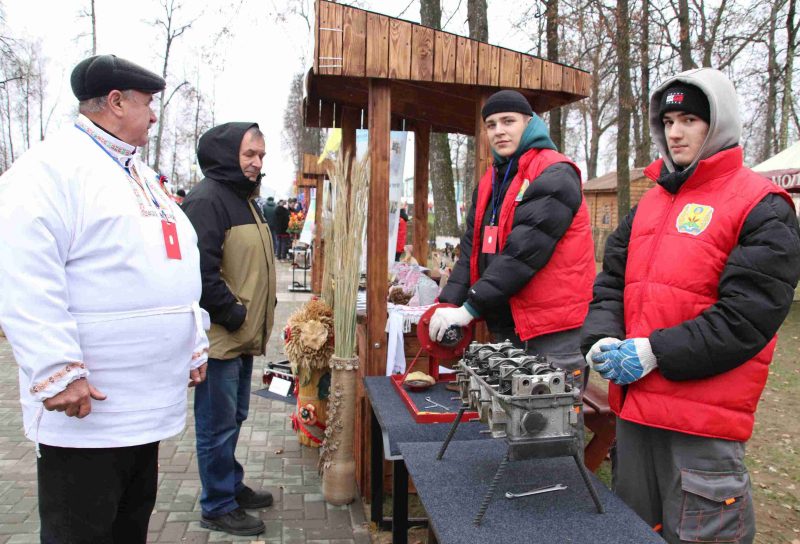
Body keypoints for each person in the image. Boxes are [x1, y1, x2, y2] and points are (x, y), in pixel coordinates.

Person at [580, 68, 800, 543]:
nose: (675, 132)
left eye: (689, 120)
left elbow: (747, 317)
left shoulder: (763, 205)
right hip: (636, 415)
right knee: (636, 532)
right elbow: (611, 283)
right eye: (669, 120)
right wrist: (600, 337)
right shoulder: (650, 204)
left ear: (716, 124)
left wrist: (656, 351)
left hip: (702, 423)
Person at [0, 54, 209, 543]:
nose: (154, 115)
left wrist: (191, 338)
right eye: (148, 103)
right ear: (115, 102)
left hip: (143, 408)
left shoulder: (140, 175)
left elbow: (179, 262)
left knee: (128, 526)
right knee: (82, 531)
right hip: (87, 409)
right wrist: (57, 368)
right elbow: (22, 273)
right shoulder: (50, 170)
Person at [433, 89, 595, 362]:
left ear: (529, 123)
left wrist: (470, 308)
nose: (499, 131)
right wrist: (448, 303)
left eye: (508, 121)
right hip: (510, 325)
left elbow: (523, 252)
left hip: (552, 329)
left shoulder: (554, 172)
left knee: (548, 403)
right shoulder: (491, 181)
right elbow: (472, 250)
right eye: (491, 125)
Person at [181, 122, 277, 537]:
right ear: (225, 154)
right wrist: (235, 313)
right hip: (222, 338)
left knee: (234, 416)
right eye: (249, 155)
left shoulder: (243, 198)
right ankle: (217, 504)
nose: (257, 163)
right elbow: (199, 272)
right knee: (216, 424)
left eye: (261, 156)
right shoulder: (207, 200)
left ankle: (230, 484)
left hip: (241, 339)